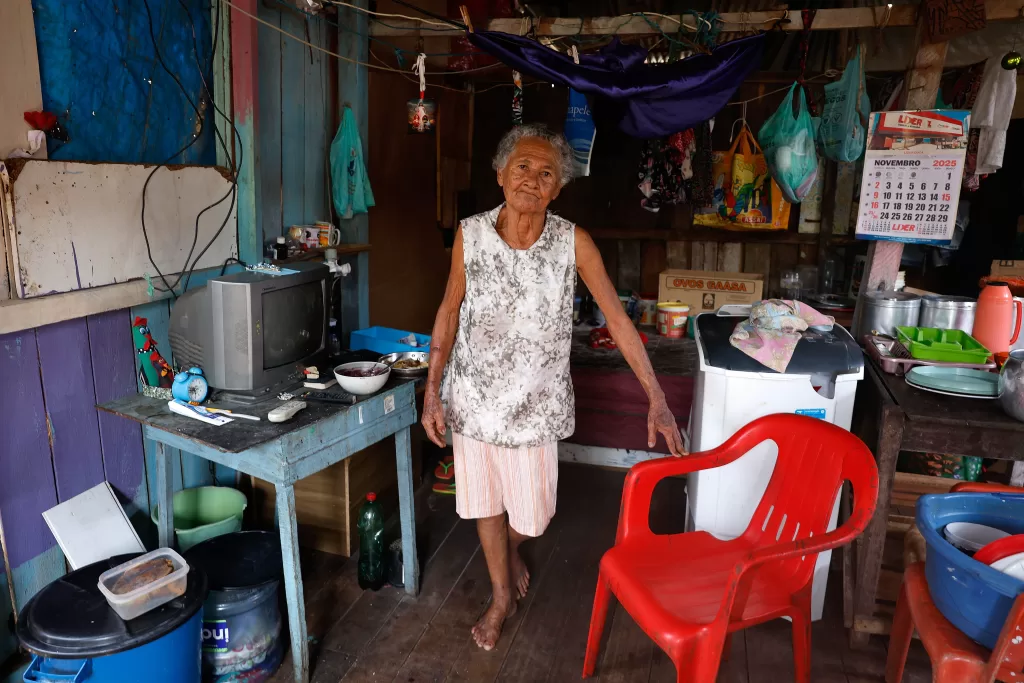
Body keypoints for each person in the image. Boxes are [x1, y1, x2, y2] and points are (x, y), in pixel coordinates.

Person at [421, 124, 686, 652]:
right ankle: (500, 597)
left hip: (537, 406)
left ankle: (511, 551)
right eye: (522, 166)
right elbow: (449, 310)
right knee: (484, 505)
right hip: (473, 399)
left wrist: (656, 397)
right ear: (500, 174)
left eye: (547, 174)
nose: (532, 179)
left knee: (535, 517)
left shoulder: (572, 242)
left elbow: (618, 319)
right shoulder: (470, 235)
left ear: (558, 188)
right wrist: (432, 389)